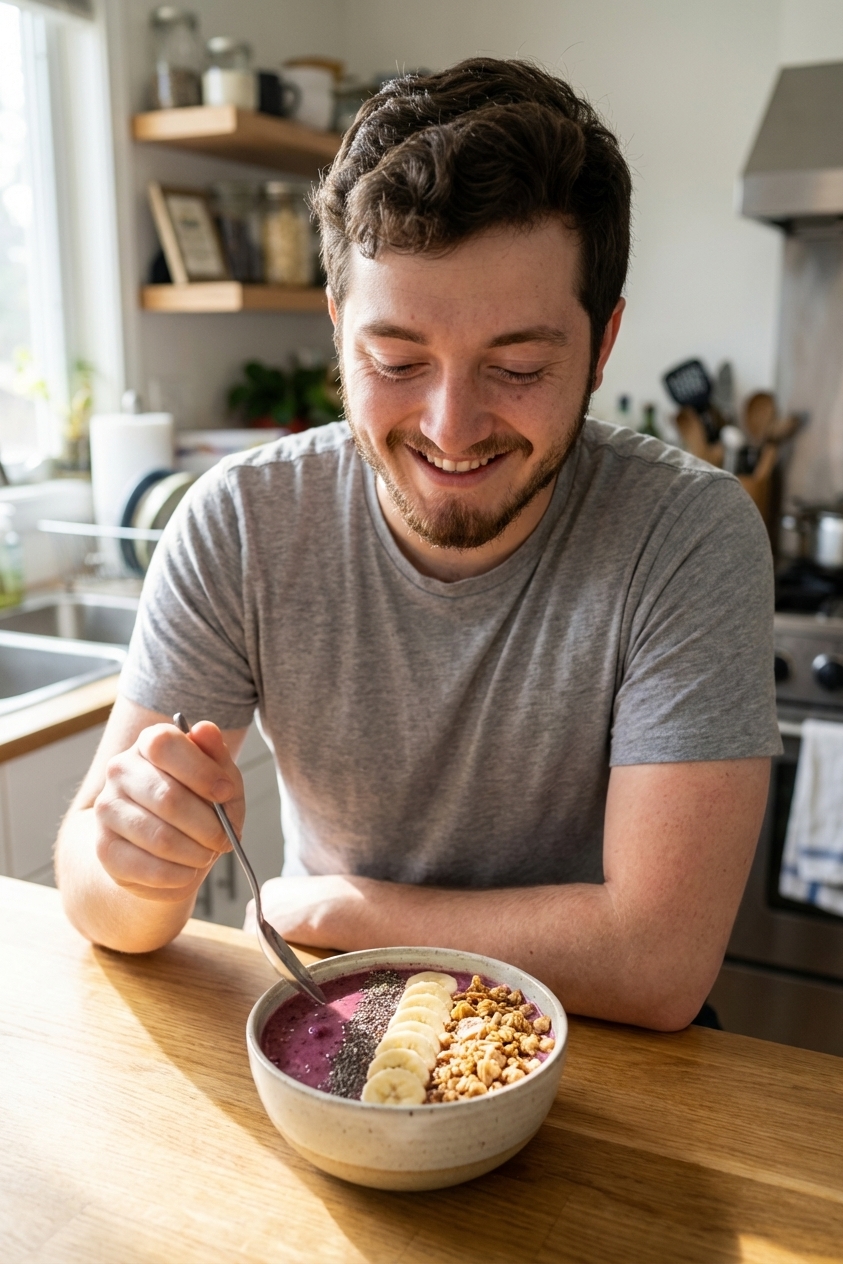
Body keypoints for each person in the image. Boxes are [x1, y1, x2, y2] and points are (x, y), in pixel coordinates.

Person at [56, 58, 781, 1030]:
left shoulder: (687, 535)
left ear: (603, 345)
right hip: (336, 1031)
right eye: (396, 360)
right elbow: (95, 886)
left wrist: (350, 911)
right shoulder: (242, 519)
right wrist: (135, 860)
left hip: (608, 1057)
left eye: (517, 366)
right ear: (337, 329)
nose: (450, 426)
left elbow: (656, 962)